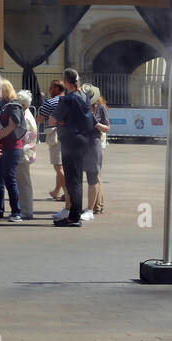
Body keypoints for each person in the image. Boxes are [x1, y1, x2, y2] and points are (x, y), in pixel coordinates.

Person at [49, 67, 95, 227]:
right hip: (83, 140)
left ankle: (74, 217)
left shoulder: (67, 99)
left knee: (72, 180)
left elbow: (52, 120)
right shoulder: (84, 96)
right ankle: (74, 214)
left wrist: (63, 122)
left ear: (66, 82)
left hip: (70, 141)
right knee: (77, 179)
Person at [0, 79, 25, 222]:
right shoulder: (2, 105)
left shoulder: (13, 106)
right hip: (2, 145)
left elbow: (12, 126)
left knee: (9, 178)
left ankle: (16, 211)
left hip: (12, 146)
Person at [79, 83, 110, 220]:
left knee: (94, 177)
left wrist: (95, 124)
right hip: (80, 144)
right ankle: (80, 207)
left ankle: (94, 208)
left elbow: (107, 128)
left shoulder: (100, 108)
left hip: (93, 144)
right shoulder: (80, 106)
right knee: (79, 177)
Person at [39, 79, 66, 201]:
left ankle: (67, 194)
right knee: (63, 166)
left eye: (51, 88)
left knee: (58, 166)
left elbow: (40, 119)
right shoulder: (69, 100)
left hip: (56, 136)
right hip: (70, 135)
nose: (49, 90)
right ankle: (56, 191)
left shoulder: (50, 102)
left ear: (57, 89)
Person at [15, 90, 38, 220]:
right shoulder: (26, 114)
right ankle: (24, 209)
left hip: (24, 153)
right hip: (25, 152)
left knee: (24, 183)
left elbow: (25, 138)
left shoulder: (26, 117)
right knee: (22, 183)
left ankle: (27, 211)